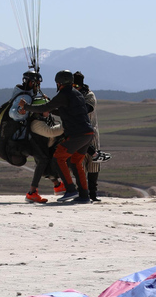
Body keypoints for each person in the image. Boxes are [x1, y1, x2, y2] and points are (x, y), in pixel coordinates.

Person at [20, 70, 94, 203]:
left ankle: (70, 189)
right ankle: (84, 196)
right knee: (75, 162)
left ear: (59, 83)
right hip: (88, 134)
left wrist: (26, 107)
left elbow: (45, 108)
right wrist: (50, 108)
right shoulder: (77, 94)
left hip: (77, 135)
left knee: (59, 157)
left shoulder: (63, 94)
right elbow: (63, 111)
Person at [24, 97, 66, 204]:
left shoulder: (42, 119)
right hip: (38, 149)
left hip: (42, 147)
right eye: (46, 108)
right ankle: (31, 193)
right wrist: (67, 125)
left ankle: (57, 186)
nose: (49, 110)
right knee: (43, 162)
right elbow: (50, 132)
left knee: (46, 162)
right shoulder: (36, 123)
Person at [74, 71, 102, 202]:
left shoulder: (89, 95)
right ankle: (82, 193)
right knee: (80, 165)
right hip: (78, 135)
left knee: (93, 164)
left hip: (92, 134)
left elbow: (87, 109)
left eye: (76, 85)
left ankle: (93, 194)